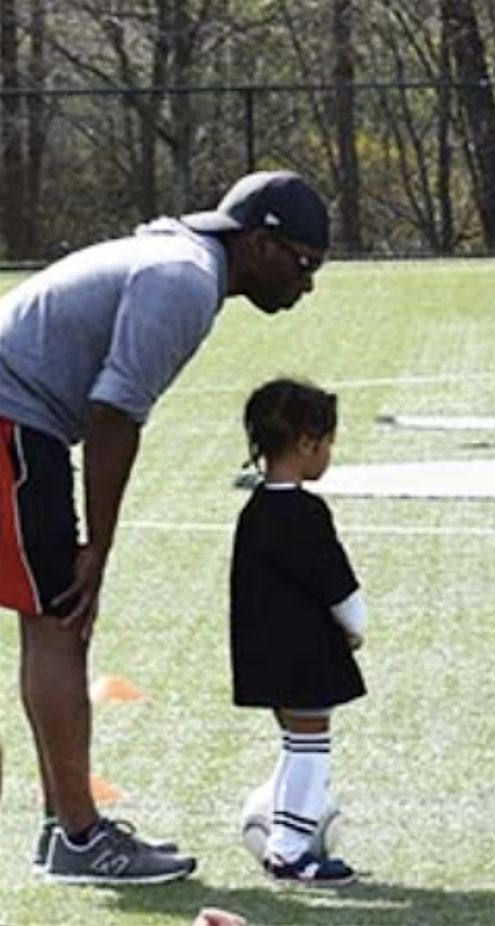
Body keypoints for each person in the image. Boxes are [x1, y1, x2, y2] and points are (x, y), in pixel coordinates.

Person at [0, 169, 330, 883]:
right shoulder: (184, 280)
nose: (306, 286)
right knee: (61, 620)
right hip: (13, 417)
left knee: (52, 624)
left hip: (22, 416)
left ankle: (66, 827)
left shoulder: (184, 261)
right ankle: (81, 839)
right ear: (260, 243)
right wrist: (100, 547)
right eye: (304, 264)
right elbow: (114, 414)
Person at [232, 378, 365, 886]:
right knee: (310, 747)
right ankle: (289, 850)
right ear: (308, 442)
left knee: (295, 743)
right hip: (303, 654)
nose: (330, 452)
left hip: (266, 652)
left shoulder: (256, 511)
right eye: (329, 441)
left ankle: (287, 844)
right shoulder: (303, 512)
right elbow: (333, 576)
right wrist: (354, 624)